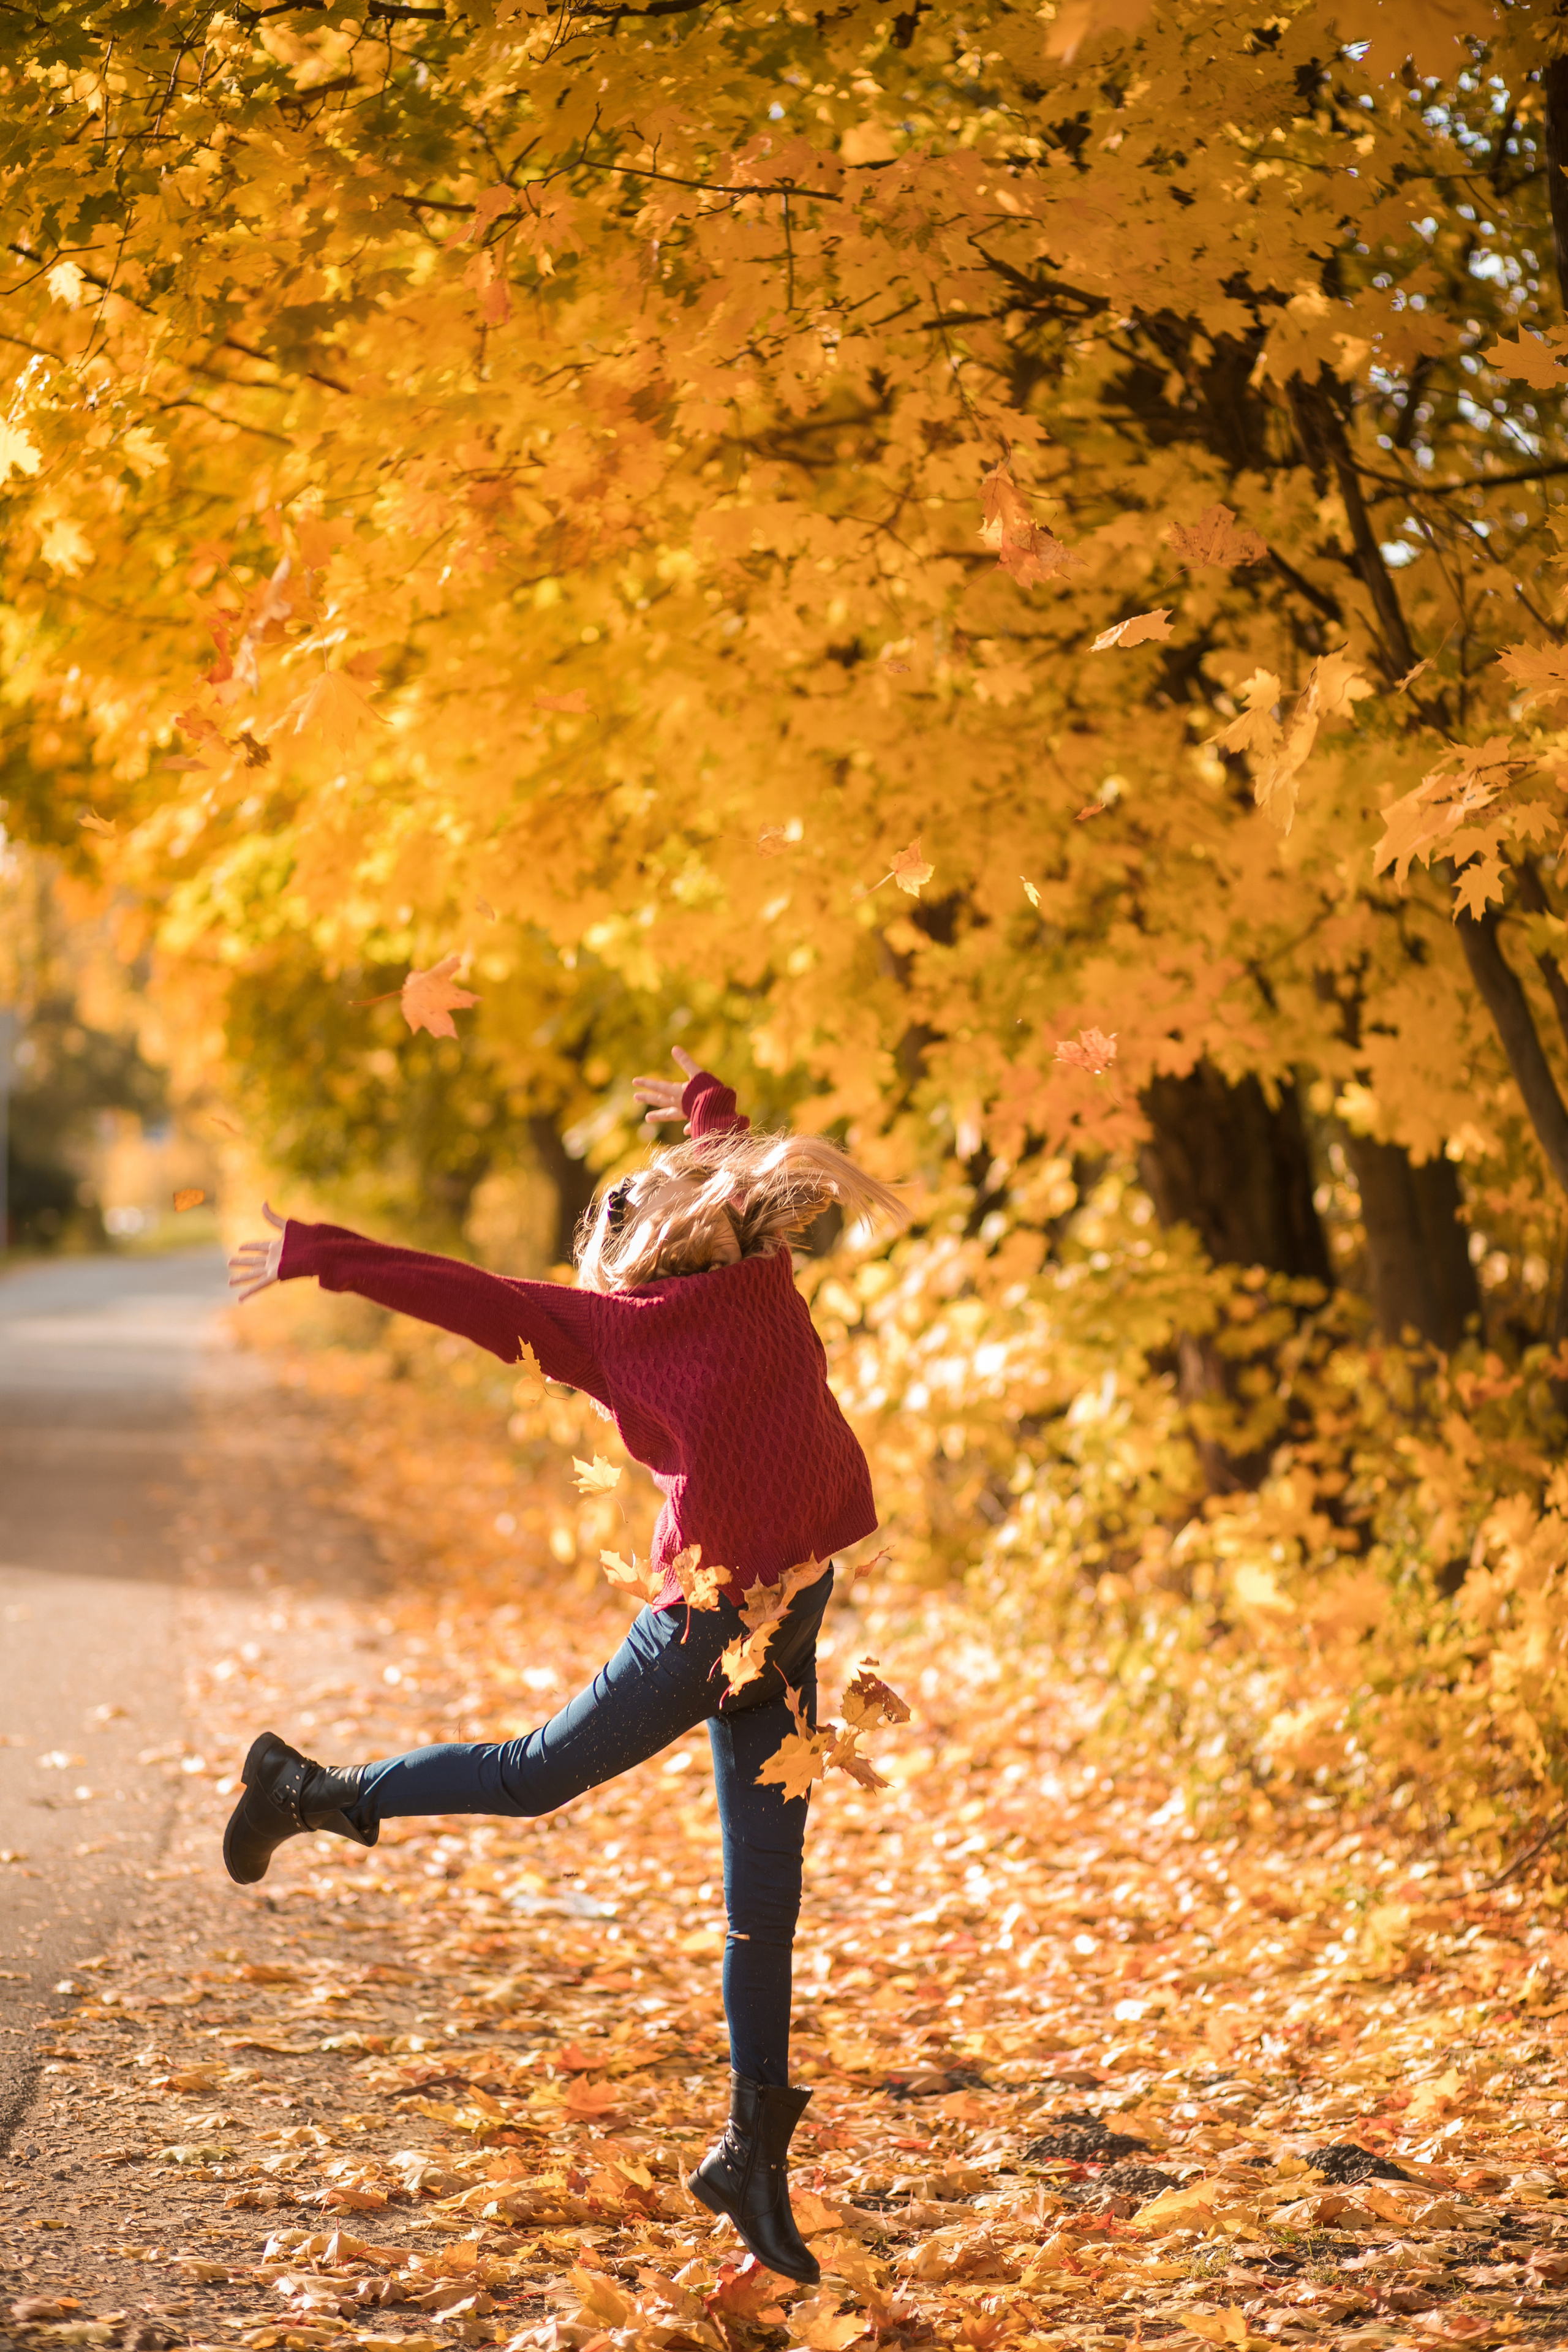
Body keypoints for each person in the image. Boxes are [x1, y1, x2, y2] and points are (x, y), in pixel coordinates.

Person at [221, 1051, 907, 2283]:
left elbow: (727, 1165)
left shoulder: (754, 1265)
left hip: (789, 1617)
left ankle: (750, 2159)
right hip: (700, 1635)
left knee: (768, 1905)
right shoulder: (623, 1329)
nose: (701, 1191)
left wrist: (704, 1102)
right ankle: (305, 1791)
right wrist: (319, 1252)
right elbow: (464, 1293)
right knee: (532, 1777)